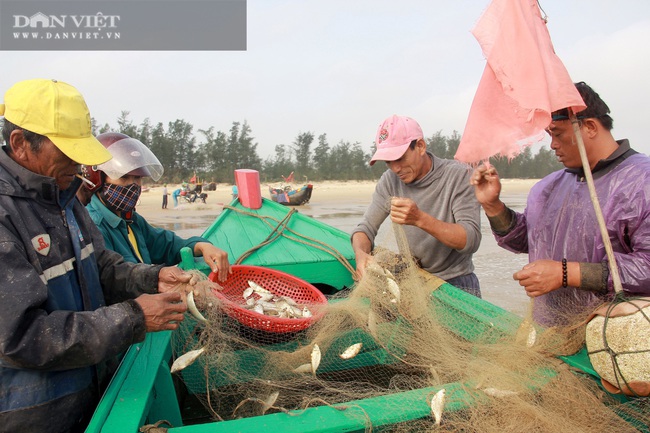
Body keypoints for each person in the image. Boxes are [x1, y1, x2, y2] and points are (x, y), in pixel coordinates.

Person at [0, 78, 194, 432]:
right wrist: (133, 317)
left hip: (93, 391)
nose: (77, 163)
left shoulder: (63, 194)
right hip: (34, 415)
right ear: (20, 144)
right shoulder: (6, 217)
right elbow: (20, 337)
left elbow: (100, 264)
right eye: (66, 150)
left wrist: (151, 277)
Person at [471, 82, 650, 326]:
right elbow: (528, 239)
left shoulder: (642, 181)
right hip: (550, 333)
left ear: (589, 126)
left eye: (558, 134)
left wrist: (566, 273)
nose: (553, 145)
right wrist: (492, 205)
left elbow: (646, 267)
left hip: (611, 342)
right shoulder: (549, 186)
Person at [352, 115, 482, 297]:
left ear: (420, 146)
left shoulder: (459, 176)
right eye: (388, 162)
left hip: (456, 282)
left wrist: (419, 218)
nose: (395, 168)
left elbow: (471, 240)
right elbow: (365, 229)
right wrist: (361, 254)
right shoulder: (390, 181)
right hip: (414, 280)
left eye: (400, 158)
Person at [80, 132, 230, 281]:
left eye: (137, 178)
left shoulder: (131, 220)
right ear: (97, 178)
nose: (133, 185)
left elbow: (167, 245)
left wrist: (202, 246)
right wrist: (157, 279)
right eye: (124, 177)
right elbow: (115, 280)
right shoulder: (94, 226)